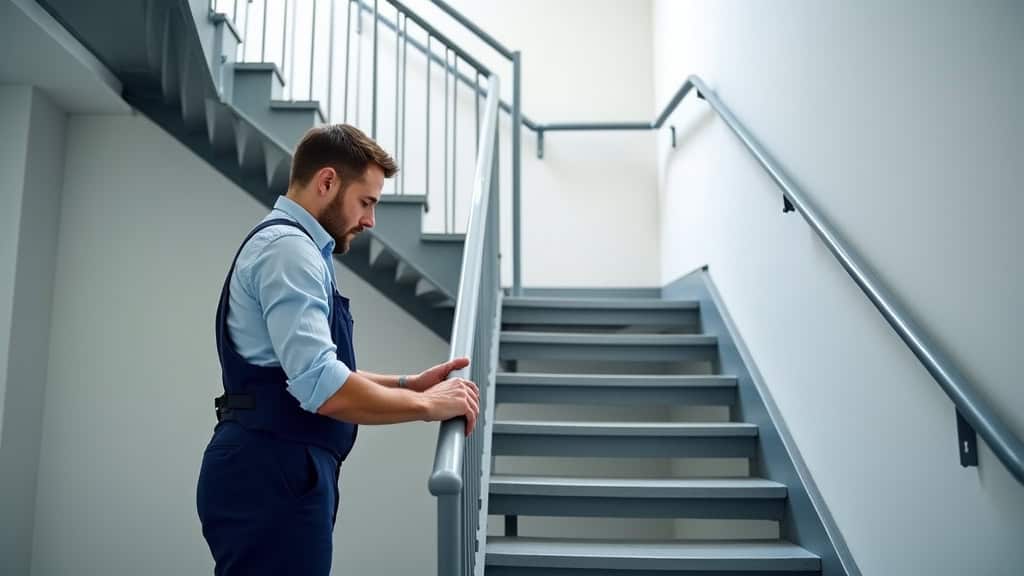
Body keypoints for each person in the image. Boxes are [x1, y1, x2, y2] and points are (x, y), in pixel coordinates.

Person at [196, 124, 480, 575]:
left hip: (277, 469)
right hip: (271, 471)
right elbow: (323, 388)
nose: (370, 220)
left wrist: (409, 382)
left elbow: (315, 371)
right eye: (366, 202)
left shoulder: (298, 248)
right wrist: (426, 404)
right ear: (327, 182)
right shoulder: (289, 250)